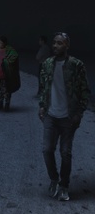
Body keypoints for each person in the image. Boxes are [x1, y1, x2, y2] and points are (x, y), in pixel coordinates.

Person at [38, 32, 90, 202]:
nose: (55, 46)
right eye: (54, 43)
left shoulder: (76, 65)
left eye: (59, 43)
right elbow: (44, 87)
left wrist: (79, 114)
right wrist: (42, 107)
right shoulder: (47, 64)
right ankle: (54, 178)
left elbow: (85, 91)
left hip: (68, 117)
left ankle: (64, 185)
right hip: (50, 115)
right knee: (47, 150)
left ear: (67, 45)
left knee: (65, 152)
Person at [0, 35, 20, 110]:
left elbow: (14, 57)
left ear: (5, 43)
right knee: (0, 89)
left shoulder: (9, 50)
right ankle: (0, 103)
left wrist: (5, 62)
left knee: (6, 89)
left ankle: (6, 104)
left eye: (1, 43)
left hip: (5, 75)